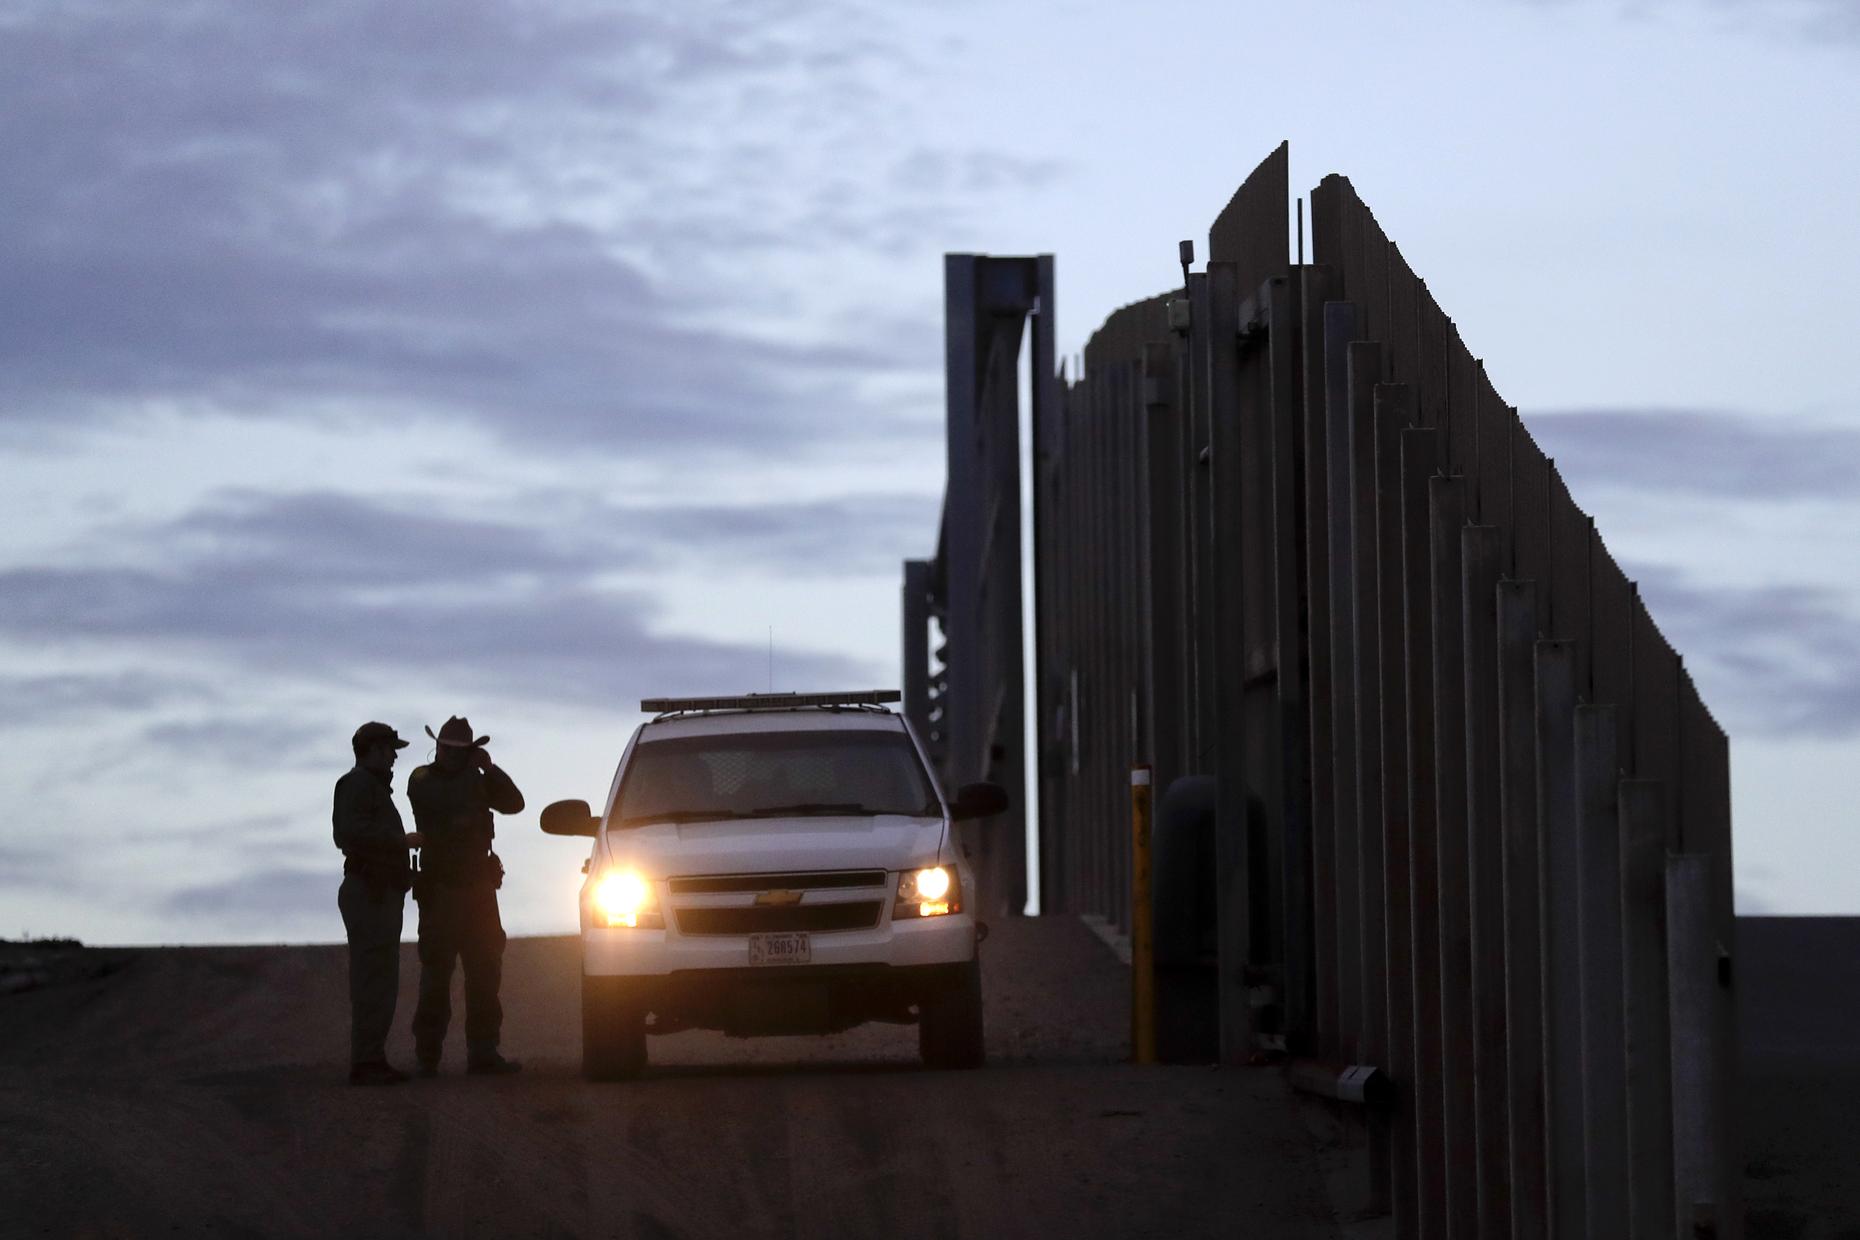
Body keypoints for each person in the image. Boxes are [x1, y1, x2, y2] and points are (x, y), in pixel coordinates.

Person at [407, 715, 525, 1076]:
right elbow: (444, 805)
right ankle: (428, 1056)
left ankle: (483, 1052)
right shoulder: (422, 779)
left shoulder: (478, 779)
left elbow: (514, 803)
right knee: (436, 977)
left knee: (485, 973)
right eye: (448, 749)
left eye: (460, 751)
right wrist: (476, 775)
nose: (451, 756)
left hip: (478, 890)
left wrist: (490, 770)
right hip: (441, 890)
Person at [333, 721, 424, 1086]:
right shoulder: (357, 784)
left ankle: (372, 1057)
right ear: (373, 750)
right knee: (373, 978)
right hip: (369, 892)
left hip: (380, 892)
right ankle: (367, 1061)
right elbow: (347, 832)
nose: (394, 758)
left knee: (380, 978)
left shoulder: (371, 787)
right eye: (390, 751)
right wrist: (401, 842)